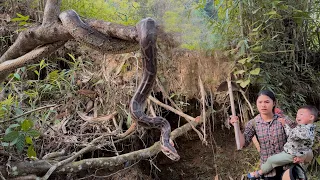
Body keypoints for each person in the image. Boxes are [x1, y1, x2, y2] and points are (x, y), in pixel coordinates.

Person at [229, 90, 313, 180]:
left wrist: (303, 156)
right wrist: (236, 125)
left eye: (267, 102)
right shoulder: (253, 123)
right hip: (268, 172)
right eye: (260, 102)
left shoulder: (283, 120)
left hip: (288, 168)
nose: (263, 105)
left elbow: (301, 139)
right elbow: (242, 144)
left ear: (274, 103)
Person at [247, 105, 317, 179]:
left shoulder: (304, 130)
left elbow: (291, 134)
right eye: (297, 115)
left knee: (271, 160)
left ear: (311, 117)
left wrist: (284, 125)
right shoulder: (307, 127)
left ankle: (259, 172)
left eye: (301, 114)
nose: (297, 117)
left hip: (291, 154)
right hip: (293, 152)